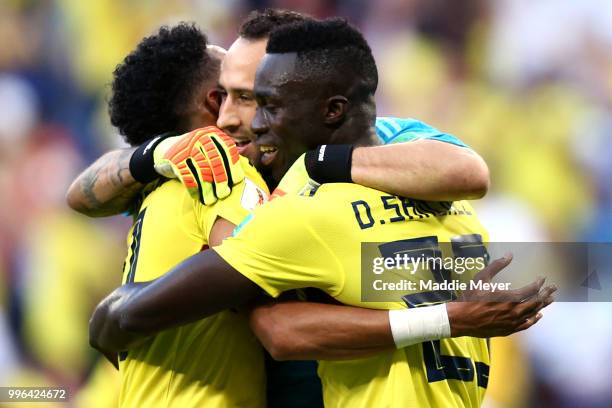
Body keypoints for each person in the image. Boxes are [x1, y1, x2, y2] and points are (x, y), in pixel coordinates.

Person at [89, 18, 556, 407]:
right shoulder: (449, 214)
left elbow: (121, 321)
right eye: (225, 98)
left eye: (259, 101)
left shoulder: (308, 211)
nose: (243, 120)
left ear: (328, 109)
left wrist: (314, 167)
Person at [91, 24, 270, 407]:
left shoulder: (154, 188)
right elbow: (265, 287)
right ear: (216, 101)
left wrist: (123, 310)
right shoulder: (223, 172)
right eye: (242, 90)